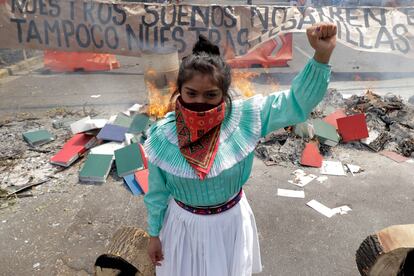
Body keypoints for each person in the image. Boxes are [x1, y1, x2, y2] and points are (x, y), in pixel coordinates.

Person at [144, 22, 337, 276]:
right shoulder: (163, 135)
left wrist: (322, 54)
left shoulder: (245, 118)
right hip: (182, 228)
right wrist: (154, 234)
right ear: (179, 91)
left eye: (211, 95)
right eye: (191, 93)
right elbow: (157, 193)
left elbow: (295, 103)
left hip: (230, 225)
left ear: (224, 95)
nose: (200, 102)